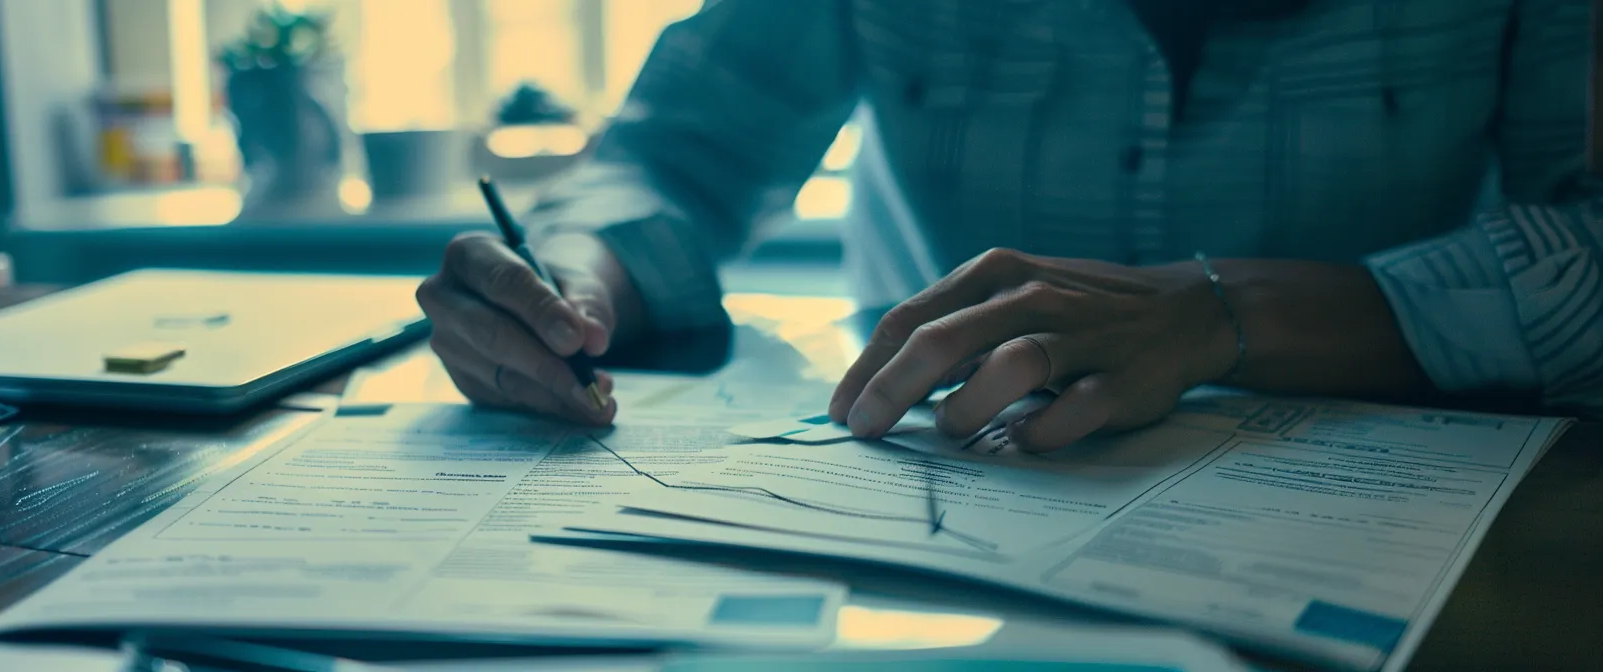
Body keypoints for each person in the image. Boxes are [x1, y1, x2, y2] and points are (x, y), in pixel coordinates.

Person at [415, 0, 1602, 452]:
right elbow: (682, 151)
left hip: (1380, 503)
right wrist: (567, 280)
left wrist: (1220, 315)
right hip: (930, 522)